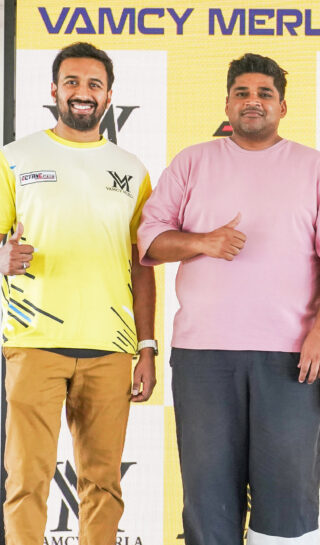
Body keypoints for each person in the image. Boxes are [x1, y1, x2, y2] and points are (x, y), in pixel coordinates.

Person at [137, 53, 320, 545]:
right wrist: (201, 241)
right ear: (228, 103)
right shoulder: (192, 162)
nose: (252, 101)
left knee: (289, 499)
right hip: (203, 358)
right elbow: (148, 240)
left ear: (282, 106)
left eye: (264, 94)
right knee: (208, 496)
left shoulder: (315, 169)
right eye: (242, 93)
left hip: (292, 357)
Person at [0, 42, 157, 545]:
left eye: (93, 84)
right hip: (34, 340)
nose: (82, 93)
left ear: (109, 96)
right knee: (27, 481)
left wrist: (148, 346)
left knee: (103, 485)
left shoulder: (132, 170)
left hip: (111, 348)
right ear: (53, 90)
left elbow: (143, 264)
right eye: (72, 82)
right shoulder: (15, 158)